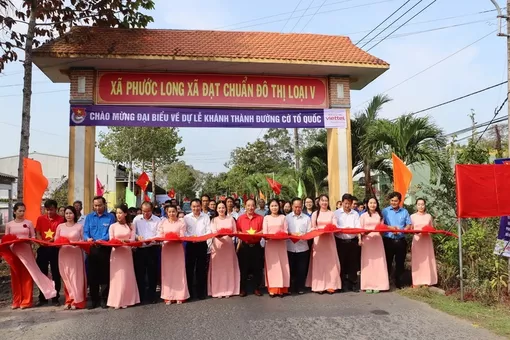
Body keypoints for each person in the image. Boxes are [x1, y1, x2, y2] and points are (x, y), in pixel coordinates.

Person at [1, 203, 56, 309]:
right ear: (14, 211)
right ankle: (16, 300)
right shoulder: (9, 225)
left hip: (26, 251)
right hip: (14, 252)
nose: (22, 213)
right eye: (20, 211)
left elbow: (33, 237)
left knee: (27, 276)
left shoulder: (29, 223)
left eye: (23, 211)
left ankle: (27, 300)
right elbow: (6, 240)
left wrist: (28, 241)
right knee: (16, 276)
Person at [84, 196, 116, 309]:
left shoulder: (111, 217)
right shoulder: (89, 217)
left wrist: (102, 240)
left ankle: (104, 298)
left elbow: (111, 232)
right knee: (92, 275)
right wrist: (87, 238)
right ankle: (94, 299)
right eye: (95, 205)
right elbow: (85, 232)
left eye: (100, 205)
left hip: (104, 248)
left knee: (104, 274)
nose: (97, 207)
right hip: (92, 248)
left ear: (104, 205)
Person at [306, 194, 341, 294]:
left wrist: (330, 229)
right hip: (318, 241)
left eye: (326, 200)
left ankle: (331, 285)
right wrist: (317, 230)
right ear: (319, 202)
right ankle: (319, 285)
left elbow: (335, 225)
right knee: (319, 263)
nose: (324, 202)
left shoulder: (332, 214)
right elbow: (311, 228)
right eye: (322, 200)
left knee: (331, 263)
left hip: (329, 241)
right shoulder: (315, 214)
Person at [107, 204, 140, 309]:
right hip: (116, 252)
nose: (118, 215)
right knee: (116, 276)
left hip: (126, 252)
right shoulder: (112, 226)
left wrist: (125, 241)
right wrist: (116, 243)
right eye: (117, 213)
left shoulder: (131, 226)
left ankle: (127, 299)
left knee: (126, 275)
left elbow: (133, 239)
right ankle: (116, 300)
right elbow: (111, 239)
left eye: (120, 213)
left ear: (125, 214)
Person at [55, 206, 86, 309]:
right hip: (63, 254)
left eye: (70, 213)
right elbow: (56, 241)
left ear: (75, 214)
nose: (68, 215)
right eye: (66, 213)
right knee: (66, 277)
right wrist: (61, 243)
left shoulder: (79, 227)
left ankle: (77, 301)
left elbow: (83, 241)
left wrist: (75, 243)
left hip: (76, 254)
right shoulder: (60, 226)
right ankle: (68, 300)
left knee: (76, 277)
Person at [35, 199, 64, 306]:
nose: (49, 212)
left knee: (56, 273)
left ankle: (56, 297)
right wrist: (40, 241)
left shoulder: (61, 220)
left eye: (51, 210)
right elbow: (37, 232)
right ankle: (42, 297)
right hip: (42, 248)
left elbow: (60, 234)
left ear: (56, 209)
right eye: (47, 210)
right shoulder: (40, 218)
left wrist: (51, 241)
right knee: (42, 273)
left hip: (55, 249)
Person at [158, 205, 189, 304]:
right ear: (167, 212)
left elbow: (182, 236)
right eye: (169, 212)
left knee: (178, 272)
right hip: (167, 249)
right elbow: (160, 235)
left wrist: (176, 238)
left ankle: (180, 295)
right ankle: (168, 295)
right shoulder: (163, 222)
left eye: (173, 211)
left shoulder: (181, 223)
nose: (171, 213)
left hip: (177, 249)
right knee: (167, 272)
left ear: (176, 212)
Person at [208, 201, 240, 298]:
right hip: (218, 246)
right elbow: (213, 232)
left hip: (229, 245)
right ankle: (218, 290)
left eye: (223, 207)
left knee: (228, 267)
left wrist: (229, 234)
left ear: (226, 209)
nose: (221, 209)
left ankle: (229, 289)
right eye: (219, 208)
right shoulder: (214, 220)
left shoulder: (231, 219)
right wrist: (221, 234)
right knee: (218, 268)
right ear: (216, 209)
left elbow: (235, 232)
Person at [382, 192, 412, 289]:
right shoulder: (384, 211)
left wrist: (404, 230)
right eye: (392, 201)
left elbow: (408, 224)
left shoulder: (404, 212)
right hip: (388, 240)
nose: (394, 202)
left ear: (399, 201)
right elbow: (381, 225)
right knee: (387, 262)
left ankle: (399, 283)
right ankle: (386, 282)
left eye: (396, 201)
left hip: (401, 240)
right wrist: (390, 228)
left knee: (400, 263)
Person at [133, 201, 161, 304]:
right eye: (144, 211)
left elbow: (159, 233)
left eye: (148, 211)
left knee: (152, 273)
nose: (146, 213)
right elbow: (133, 232)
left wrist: (152, 239)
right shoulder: (137, 219)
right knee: (140, 273)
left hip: (152, 248)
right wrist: (137, 237)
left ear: (152, 210)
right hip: (140, 249)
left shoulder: (157, 220)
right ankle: (140, 295)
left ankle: (152, 296)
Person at [359, 197, 389, 293]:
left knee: (378, 262)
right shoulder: (363, 216)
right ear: (367, 204)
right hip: (367, 241)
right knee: (368, 263)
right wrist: (360, 238)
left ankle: (379, 284)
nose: (373, 205)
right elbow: (360, 229)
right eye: (371, 203)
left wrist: (382, 231)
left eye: (374, 203)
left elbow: (382, 228)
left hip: (377, 241)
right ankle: (368, 284)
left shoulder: (379, 216)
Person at [183, 199, 211, 300]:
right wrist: (191, 237)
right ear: (191, 207)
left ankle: (201, 293)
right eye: (194, 206)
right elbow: (184, 231)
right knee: (189, 269)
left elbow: (209, 230)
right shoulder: (186, 218)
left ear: (201, 206)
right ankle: (189, 293)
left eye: (198, 206)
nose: (196, 208)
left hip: (202, 244)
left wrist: (201, 238)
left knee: (201, 270)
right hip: (190, 244)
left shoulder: (206, 216)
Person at [334, 193, 361, 292]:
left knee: (353, 264)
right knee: (341, 263)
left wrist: (356, 235)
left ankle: (353, 284)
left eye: (349, 203)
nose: (347, 205)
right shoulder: (336, 213)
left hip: (352, 241)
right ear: (342, 203)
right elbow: (335, 227)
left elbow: (358, 227)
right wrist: (344, 229)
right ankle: (340, 284)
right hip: (340, 241)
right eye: (345, 203)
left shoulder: (355, 213)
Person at [236, 198, 264, 297]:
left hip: (256, 246)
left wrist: (255, 234)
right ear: (245, 206)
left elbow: (263, 230)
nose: (250, 207)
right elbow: (237, 231)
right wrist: (244, 234)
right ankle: (242, 288)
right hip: (245, 246)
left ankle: (256, 288)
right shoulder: (240, 218)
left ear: (255, 207)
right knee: (243, 268)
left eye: (252, 205)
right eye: (248, 205)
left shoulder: (260, 218)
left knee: (257, 268)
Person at [263, 199, 290, 297]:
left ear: (279, 207)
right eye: (272, 206)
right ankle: (273, 289)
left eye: (276, 206)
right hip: (270, 245)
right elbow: (265, 233)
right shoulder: (266, 218)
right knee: (272, 267)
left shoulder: (283, 217)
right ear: (269, 207)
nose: (274, 208)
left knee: (282, 265)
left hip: (281, 244)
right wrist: (271, 236)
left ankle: (283, 288)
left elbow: (286, 231)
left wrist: (281, 235)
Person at [286, 198, 312, 294]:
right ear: (292, 206)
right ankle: (290, 287)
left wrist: (303, 236)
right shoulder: (287, 218)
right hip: (290, 247)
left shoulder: (306, 218)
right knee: (290, 268)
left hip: (303, 247)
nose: (297, 209)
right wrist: (290, 234)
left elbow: (309, 232)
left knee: (301, 269)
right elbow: (284, 231)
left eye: (299, 207)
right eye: (296, 207)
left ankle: (300, 287)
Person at [411, 198, 438, 287]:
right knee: (417, 260)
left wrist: (427, 231)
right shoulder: (412, 216)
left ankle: (427, 280)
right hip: (417, 240)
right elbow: (411, 229)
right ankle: (416, 281)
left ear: (425, 205)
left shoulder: (429, 216)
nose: (421, 206)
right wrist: (416, 232)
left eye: (422, 204)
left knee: (427, 260)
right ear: (416, 205)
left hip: (426, 240)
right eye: (419, 204)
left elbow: (432, 228)